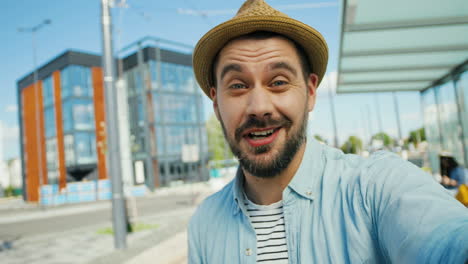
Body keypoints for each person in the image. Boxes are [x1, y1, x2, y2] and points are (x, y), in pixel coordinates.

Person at [188, 0, 468, 263]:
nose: (258, 107)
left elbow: (449, 240)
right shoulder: (205, 222)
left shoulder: (375, 187)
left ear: (310, 92)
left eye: (279, 82)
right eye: (237, 85)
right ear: (216, 104)